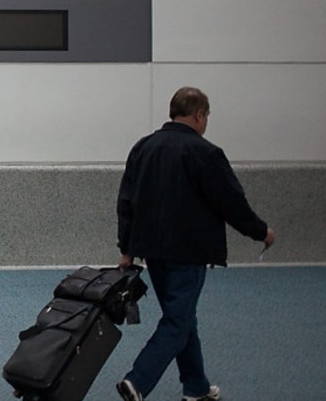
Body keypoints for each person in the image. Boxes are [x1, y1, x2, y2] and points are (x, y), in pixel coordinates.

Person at [115, 87, 275, 401]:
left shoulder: (143, 147)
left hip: (152, 250)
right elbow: (232, 203)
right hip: (189, 253)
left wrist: (126, 249)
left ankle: (197, 389)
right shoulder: (205, 152)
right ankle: (138, 381)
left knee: (184, 317)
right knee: (178, 319)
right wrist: (261, 232)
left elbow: (126, 201)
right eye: (206, 118)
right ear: (199, 115)